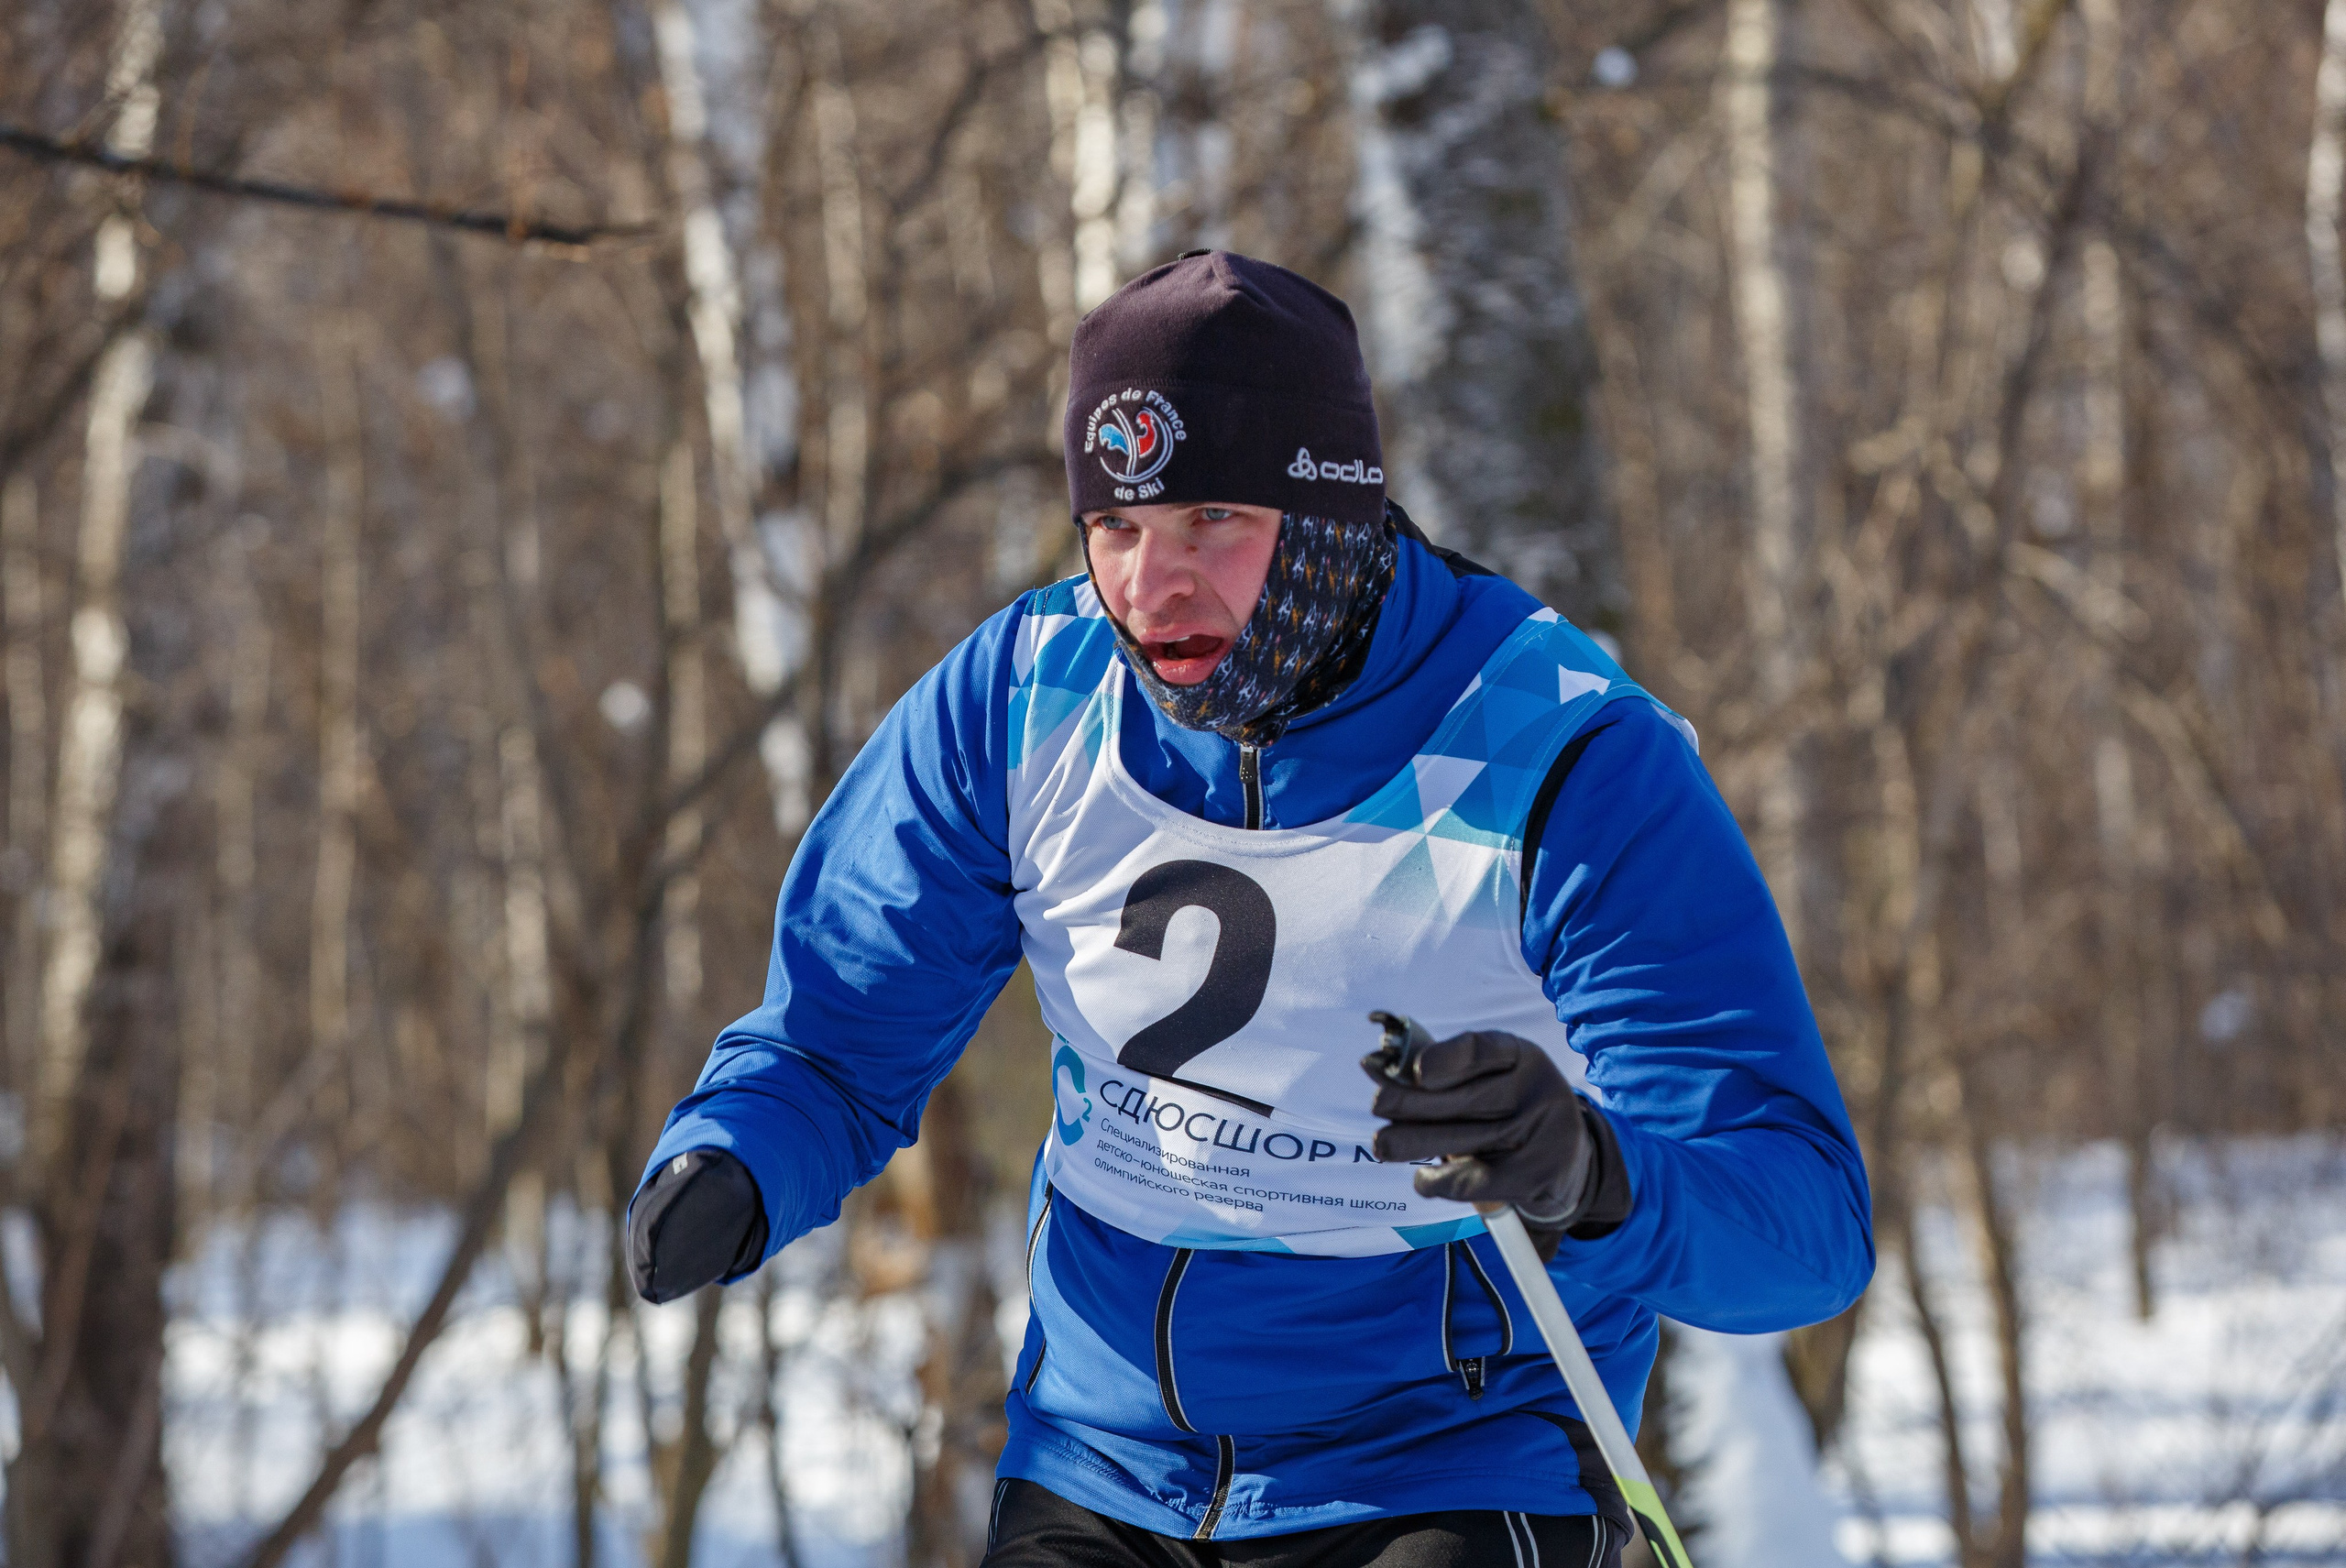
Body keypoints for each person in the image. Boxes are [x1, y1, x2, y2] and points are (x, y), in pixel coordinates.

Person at [626, 250, 1873, 1566]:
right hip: (1101, 1462)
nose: (1152, 586)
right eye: (1114, 529)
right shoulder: (1024, 702)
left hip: (1451, 1463)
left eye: (1213, 519)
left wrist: (1592, 1173)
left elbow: (1805, 1225)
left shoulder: (1564, 757)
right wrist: (739, 1154)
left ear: (1334, 511)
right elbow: (835, 1035)